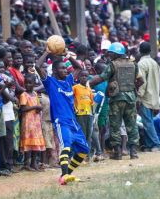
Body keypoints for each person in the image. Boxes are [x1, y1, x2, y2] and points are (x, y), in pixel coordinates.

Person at [36, 48, 89, 185]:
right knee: (66, 146)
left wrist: (68, 56)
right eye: (62, 69)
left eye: (66, 69)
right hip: (61, 121)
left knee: (84, 150)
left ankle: (66, 175)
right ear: (54, 71)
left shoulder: (69, 81)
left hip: (73, 122)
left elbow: (78, 67)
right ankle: (65, 175)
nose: (66, 70)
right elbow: (37, 66)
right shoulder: (50, 83)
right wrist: (47, 52)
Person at [89, 42, 142, 160]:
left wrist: (88, 84)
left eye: (110, 53)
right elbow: (141, 80)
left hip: (117, 99)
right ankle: (133, 152)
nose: (109, 55)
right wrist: (134, 89)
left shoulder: (113, 65)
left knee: (115, 125)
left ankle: (117, 153)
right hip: (131, 98)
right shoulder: (133, 64)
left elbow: (101, 78)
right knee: (132, 125)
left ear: (115, 54)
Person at [136, 42, 160, 151]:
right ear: (150, 51)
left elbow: (142, 82)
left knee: (147, 122)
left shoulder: (141, 64)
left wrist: (139, 96)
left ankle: (157, 144)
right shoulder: (154, 63)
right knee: (148, 120)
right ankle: (148, 145)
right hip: (154, 95)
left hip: (145, 96)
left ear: (139, 51)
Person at [73, 69, 94, 154]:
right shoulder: (75, 88)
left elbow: (91, 102)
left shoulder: (89, 89)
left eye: (86, 76)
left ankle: (87, 154)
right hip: (80, 114)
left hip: (88, 114)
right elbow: (71, 99)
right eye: (82, 76)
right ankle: (80, 154)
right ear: (79, 77)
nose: (84, 77)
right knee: (82, 134)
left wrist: (92, 114)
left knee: (89, 135)